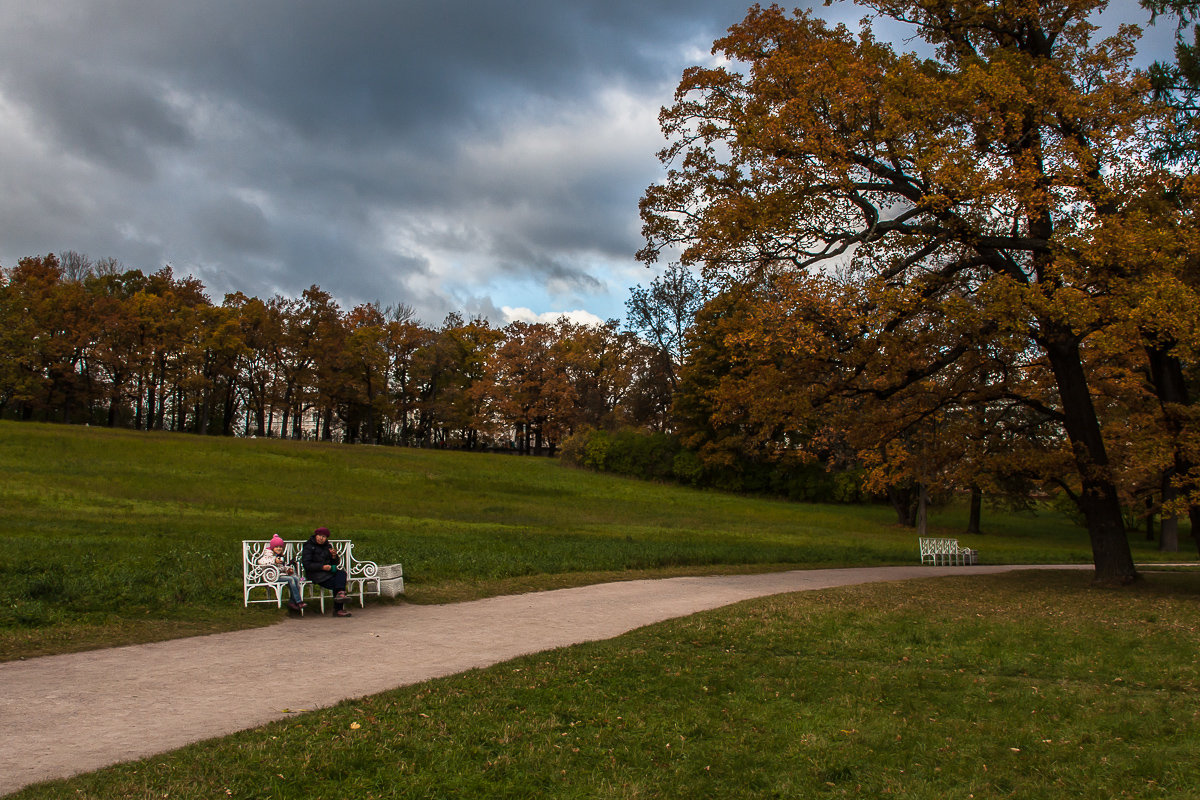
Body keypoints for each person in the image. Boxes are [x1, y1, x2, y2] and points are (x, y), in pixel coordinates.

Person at [301, 526, 352, 617]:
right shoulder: (309, 546)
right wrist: (322, 567)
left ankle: (340, 596)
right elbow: (307, 564)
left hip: (327, 572)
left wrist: (334, 556)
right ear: (316, 535)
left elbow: (334, 563)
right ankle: (338, 609)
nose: (321, 538)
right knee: (338, 584)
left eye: (324, 537)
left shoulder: (328, 546)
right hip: (315, 574)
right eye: (319, 535)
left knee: (341, 573)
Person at [258, 534, 306, 611]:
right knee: (291, 579)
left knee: (296, 578)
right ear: (272, 547)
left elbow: (281, 567)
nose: (279, 548)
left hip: (278, 575)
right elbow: (261, 561)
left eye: (280, 547)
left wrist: (287, 570)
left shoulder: (279, 555)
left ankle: (292, 601)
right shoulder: (268, 554)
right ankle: (298, 601)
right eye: (276, 547)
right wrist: (274, 560)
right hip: (270, 577)